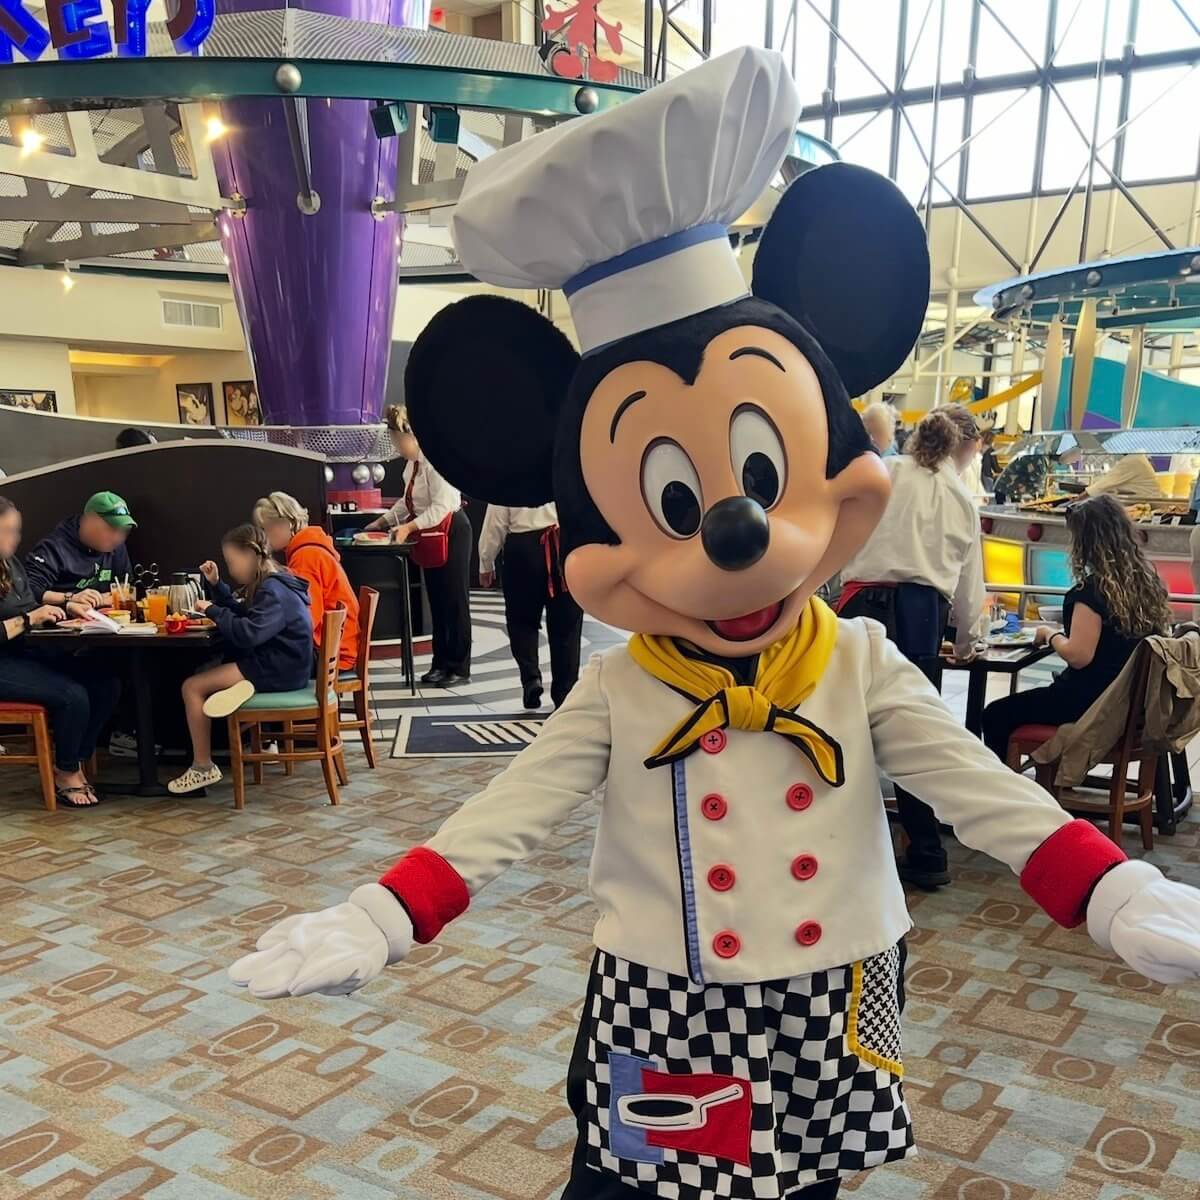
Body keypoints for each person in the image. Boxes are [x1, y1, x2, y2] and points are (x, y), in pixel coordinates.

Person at [230, 50, 1200, 1200]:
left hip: (838, 986)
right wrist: (383, 914)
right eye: (671, 507)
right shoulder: (624, 689)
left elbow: (985, 796)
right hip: (669, 991)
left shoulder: (860, 662)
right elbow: (509, 811)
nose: (734, 544)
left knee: (804, 1188)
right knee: (638, 1190)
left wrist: (1111, 888)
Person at [838, 408, 987, 889]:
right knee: (913, 735)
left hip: (859, 602)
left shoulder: (884, 472)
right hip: (923, 616)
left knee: (839, 726)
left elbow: (841, 533)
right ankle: (926, 851)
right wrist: (968, 641)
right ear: (964, 449)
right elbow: (970, 583)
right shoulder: (961, 498)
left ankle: (839, 843)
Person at [982, 494, 1171, 763]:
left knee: (995, 715)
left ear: (1084, 543)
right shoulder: (1148, 585)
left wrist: (1051, 634)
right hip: (1133, 708)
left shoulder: (1090, 593)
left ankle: (1007, 796)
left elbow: (1079, 656)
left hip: (1090, 706)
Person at [168, 524, 313, 794]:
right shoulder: (276, 580)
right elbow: (247, 615)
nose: (232, 569)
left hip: (279, 669)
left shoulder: (272, 591)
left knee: (192, 686)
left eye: (232, 562)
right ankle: (236, 692)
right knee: (206, 674)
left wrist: (211, 610)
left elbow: (248, 634)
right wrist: (216, 586)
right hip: (287, 664)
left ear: (249, 555)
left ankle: (202, 766)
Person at [0, 496, 120, 807]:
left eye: (16, 531)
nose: (15, 539)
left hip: (23, 653)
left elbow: (29, 605)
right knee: (72, 695)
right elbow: (24, 616)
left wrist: (66, 607)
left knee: (105, 684)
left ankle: (74, 760)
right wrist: (28, 619)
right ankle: (65, 773)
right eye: (7, 531)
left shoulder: (9, 564)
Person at [363, 404, 471, 686]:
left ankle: (458, 666)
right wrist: (383, 522)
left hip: (452, 531)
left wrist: (409, 527)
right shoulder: (412, 466)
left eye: (400, 440)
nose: (398, 446)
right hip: (429, 533)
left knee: (454, 601)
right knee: (436, 599)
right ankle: (440, 662)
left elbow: (442, 507)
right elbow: (407, 502)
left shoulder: (436, 462)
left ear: (414, 435)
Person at [479, 502, 583, 709]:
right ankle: (565, 692)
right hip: (564, 547)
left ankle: (531, 679)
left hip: (522, 550)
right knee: (567, 625)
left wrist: (486, 562)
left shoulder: (509, 472)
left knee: (521, 621)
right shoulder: (568, 470)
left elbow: (496, 520)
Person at [253, 491, 360, 674]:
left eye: (265, 529)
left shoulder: (305, 557)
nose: (263, 537)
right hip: (338, 648)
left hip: (329, 654)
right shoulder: (311, 547)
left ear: (286, 523)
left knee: (250, 660)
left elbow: (307, 620)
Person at [24, 491, 135, 611]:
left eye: (124, 531)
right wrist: (70, 598)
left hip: (104, 621)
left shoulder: (115, 545)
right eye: (111, 529)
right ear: (89, 520)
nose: (118, 537)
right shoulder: (53, 547)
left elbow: (125, 584)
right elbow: (29, 591)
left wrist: (109, 598)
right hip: (60, 622)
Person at [980, 428, 1000, 492]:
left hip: (979, 475)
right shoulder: (991, 451)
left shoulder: (978, 449)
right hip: (987, 476)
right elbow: (996, 468)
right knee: (989, 496)